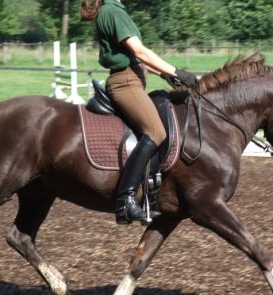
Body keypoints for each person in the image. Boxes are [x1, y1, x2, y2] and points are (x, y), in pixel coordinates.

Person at [80, 0, 198, 224]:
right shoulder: (112, 11)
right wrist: (177, 71)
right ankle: (125, 201)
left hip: (131, 79)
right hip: (125, 83)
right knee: (156, 131)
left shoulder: (114, 10)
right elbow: (140, 51)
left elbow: (135, 58)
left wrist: (166, 75)